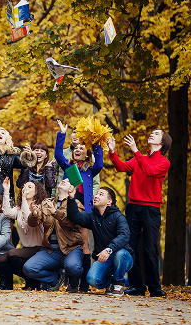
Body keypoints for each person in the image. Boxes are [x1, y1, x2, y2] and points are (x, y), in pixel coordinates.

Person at [107, 130, 171, 297]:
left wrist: (136, 151)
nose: (152, 134)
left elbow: (150, 171)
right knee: (131, 248)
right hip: (133, 207)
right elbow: (121, 166)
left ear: (162, 142)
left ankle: (155, 287)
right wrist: (112, 152)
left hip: (151, 209)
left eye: (156, 134)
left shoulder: (164, 162)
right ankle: (137, 286)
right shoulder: (138, 159)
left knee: (150, 249)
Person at [54, 120, 103, 291]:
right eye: (76, 148)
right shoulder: (69, 167)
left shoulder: (90, 170)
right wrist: (62, 135)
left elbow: (100, 164)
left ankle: (83, 283)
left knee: (83, 243)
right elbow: (58, 155)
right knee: (71, 243)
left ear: (87, 155)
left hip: (86, 211)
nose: (77, 150)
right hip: (69, 208)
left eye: (82, 148)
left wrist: (96, 142)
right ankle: (72, 281)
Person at [66, 186, 134, 296]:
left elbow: (124, 235)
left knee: (120, 254)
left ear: (109, 202)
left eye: (101, 194)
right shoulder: (92, 216)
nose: (96, 196)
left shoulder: (118, 216)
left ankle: (118, 284)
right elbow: (75, 217)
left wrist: (109, 249)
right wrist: (71, 198)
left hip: (123, 258)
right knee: (92, 279)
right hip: (104, 260)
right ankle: (109, 285)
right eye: (96, 194)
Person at [24, 179, 85, 291]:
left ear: (73, 188)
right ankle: (54, 279)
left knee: (74, 268)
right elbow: (32, 224)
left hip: (70, 249)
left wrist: (55, 213)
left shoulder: (77, 204)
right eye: (63, 179)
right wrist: (34, 214)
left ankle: (74, 282)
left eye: (68, 181)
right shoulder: (46, 202)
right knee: (29, 268)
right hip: (51, 251)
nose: (64, 180)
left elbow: (73, 224)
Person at [0, 178, 46, 290]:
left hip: (39, 248)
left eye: (30, 187)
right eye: (25, 186)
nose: (26, 188)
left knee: (11, 254)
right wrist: (6, 190)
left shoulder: (40, 208)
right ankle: (31, 280)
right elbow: (6, 211)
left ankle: (33, 280)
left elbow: (29, 219)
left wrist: (24, 200)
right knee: (1, 260)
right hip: (26, 248)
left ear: (37, 192)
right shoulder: (19, 209)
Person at [52, 127, 100, 196]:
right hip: (63, 197)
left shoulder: (90, 161)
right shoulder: (66, 160)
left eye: (79, 133)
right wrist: (53, 196)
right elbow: (54, 176)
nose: (76, 135)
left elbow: (95, 183)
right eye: (74, 132)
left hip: (82, 200)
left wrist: (90, 201)